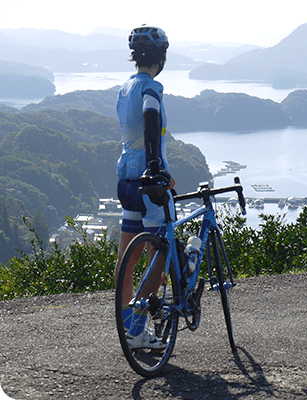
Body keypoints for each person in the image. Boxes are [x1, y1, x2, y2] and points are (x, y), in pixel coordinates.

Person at [114, 25, 175, 350]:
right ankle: (138, 327)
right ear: (160, 57)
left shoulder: (125, 88)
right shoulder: (151, 88)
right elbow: (151, 119)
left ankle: (127, 327)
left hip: (126, 178)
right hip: (149, 182)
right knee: (159, 256)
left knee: (128, 258)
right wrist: (156, 168)